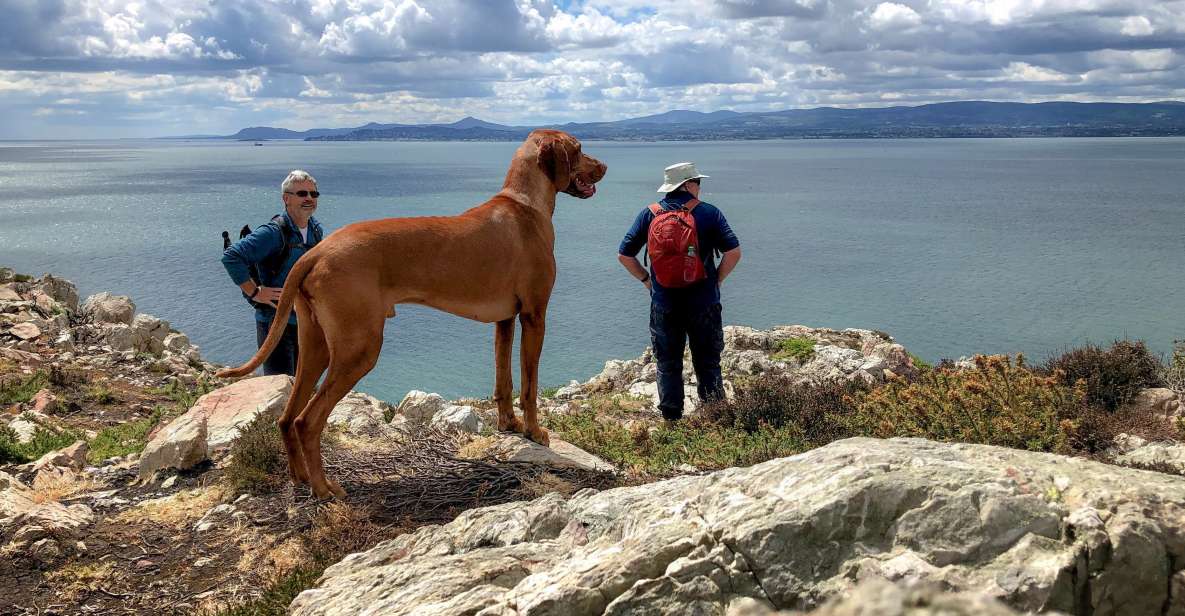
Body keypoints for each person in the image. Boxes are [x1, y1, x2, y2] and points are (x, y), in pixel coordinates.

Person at [618, 162, 741, 421]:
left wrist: (647, 281)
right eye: (698, 182)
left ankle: (671, 421)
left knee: (667, 363)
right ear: (688, 184)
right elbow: (733, 253)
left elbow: (624, 255)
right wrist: (716, 280)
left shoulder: (649, 214)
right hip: (704, 301)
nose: (700, 187)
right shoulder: (709, 213)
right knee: (707, 362)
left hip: (664, 303)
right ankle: (714, 418)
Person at [221, 170, 325, 376]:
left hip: (304, 322)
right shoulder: (273, 232)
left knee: (302, 385)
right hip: (275, 323)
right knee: (279, 385)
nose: (309, 199)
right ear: (286, 198)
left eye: (314, 194)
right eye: (302, 194)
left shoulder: (315, 230)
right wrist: (255, 291)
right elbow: (232, 256)